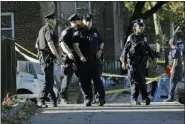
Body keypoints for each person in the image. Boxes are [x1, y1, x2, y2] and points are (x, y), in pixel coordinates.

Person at [120, 19, 157, 105]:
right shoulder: (131, 37)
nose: (141, 28)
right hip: (133, 63)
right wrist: (123, 62)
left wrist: (154, 57)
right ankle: (135, 99)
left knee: (141, 81)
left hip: (142, 64)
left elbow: (148, 49)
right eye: (139, 27)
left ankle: (143, 98)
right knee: (135, 81)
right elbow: (125, 50)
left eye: (142, 27)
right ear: (135, 28)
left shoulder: (144, 38)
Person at [73, 14, 106, 106]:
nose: (88, 23)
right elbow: (76, 46)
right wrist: (80, 56)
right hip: (84, 62)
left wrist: (100, 50)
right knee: (85, 81)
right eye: (86, 21)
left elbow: (102, 42)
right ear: (83, 21)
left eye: (90, 21)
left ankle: (101, 98)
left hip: (95, 60)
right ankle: (88, 99)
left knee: (97, 80)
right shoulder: (78, 32)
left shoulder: (95, 31)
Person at [35, 12, 62, 108]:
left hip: (43, 58)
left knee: (49, 80)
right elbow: (50, 43)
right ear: (50, 20)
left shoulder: (41, 29)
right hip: (47, 58)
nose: (55, 21)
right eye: (54, 19)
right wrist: (58, 57)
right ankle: (40, 100)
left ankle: (54, 99)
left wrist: (40, 55)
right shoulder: (48, 29)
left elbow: (36, 45)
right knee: (48, 82)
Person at [59, 13, 82, 104]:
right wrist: (68, 53)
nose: (80, 21)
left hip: (79, 58)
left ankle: (81, 98)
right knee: (67, 78)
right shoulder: (67, 31)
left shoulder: (80, 31)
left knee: (82, 78)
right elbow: (62, 43)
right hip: (69, 59)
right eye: (78, 20)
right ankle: (63, 96)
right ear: (74, 21)